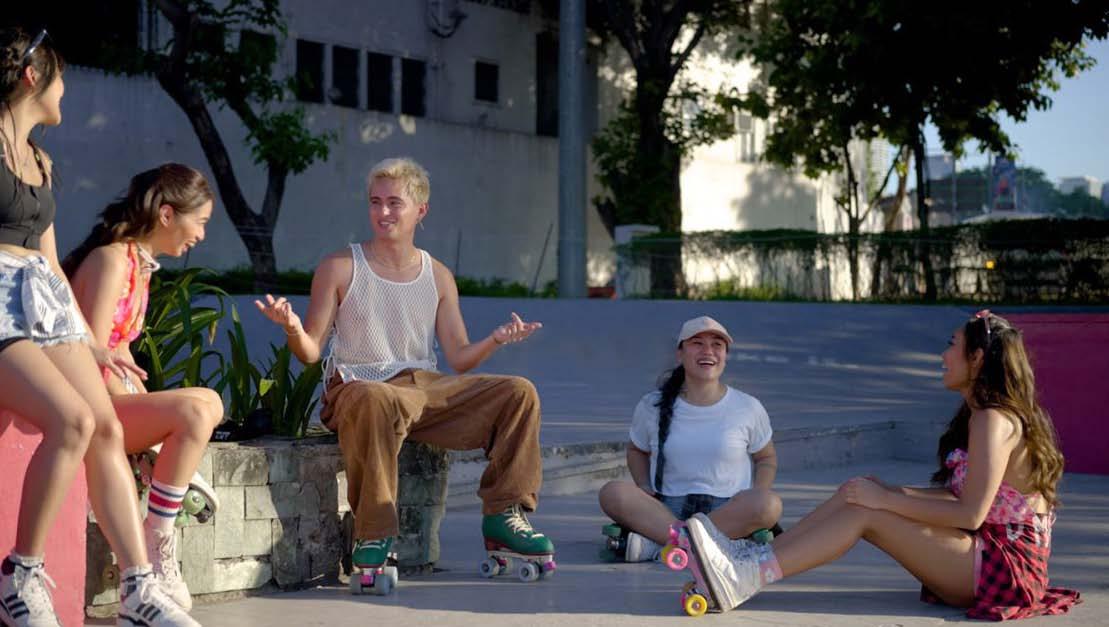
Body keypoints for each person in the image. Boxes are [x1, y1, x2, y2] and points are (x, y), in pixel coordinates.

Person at [255, 157, 554, 590]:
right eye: (375, 202)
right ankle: (374, 531)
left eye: (395, 203)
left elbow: (458, 357)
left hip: (422, 390)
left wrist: (496, 339)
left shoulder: (438, 275)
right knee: (375, 396)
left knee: (519, 392)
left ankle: (504, 515)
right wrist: (292, 327)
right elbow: (311, 352)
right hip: (358, 386)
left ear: (420, 210)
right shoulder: (339, 266)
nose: (383, 212)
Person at [677, 311, 1082, 620]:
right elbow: (961, 498)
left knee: (867, 511)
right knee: (861, 490)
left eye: (952, 345)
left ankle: (746, 577)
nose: (943, 355)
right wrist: (887, 491)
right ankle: (747, 563)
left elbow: (971, 514)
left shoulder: (992, 420)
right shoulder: (982, 415)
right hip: (986, 552)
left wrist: (884, 501)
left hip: (1005, 571)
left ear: (976, 358)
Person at [0, 27, 198, 626]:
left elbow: (49, 262)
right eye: (60, 78)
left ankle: (139, 589)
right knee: (73, 420)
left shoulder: (40, 160)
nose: (65, 91)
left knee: (105, 426)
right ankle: (20, 577)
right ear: (32, 77)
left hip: (41, 303)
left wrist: (90, 342)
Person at [64, 164, 224, 611]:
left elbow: (121, 353)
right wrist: (144, 411)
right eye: (201, 222)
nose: (202, 235)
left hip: (110, 400)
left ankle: (159, 504)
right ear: (167, 214)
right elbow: (90, 359)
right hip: (87, 407)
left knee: (208, 402)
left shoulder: (138, 266)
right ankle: (157, 537)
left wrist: (144, 404)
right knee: (195, 410)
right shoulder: (112, 261)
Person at [598, 316, 781, 562]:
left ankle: (665, 545)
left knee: (769, 504)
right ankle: (715, 546)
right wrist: (643, 486)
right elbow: (636, 450)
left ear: (725, 355)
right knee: (612, 493)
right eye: (697, 343)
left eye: (717, 345)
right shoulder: (652, 405)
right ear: (680, 354)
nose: (708, 351)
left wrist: (756, 492)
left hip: (728, 512)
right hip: (666, 512)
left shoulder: (748, 407)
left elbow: (766, 457)